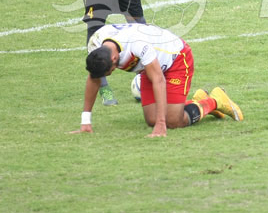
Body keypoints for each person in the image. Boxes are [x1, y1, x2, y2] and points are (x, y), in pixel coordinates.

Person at [75, 23, 244, 138]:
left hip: (177, 59)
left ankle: (215, 101)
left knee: (173, 121)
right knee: (151, 120)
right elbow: (94, 78)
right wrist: (85, 122)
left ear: (114, 58)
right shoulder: (96, 43)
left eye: (110, 71)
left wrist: (162, 124)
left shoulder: (137, 44)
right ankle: (196, 101)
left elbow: (158, 80)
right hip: (148, 67)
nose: (110, 74)